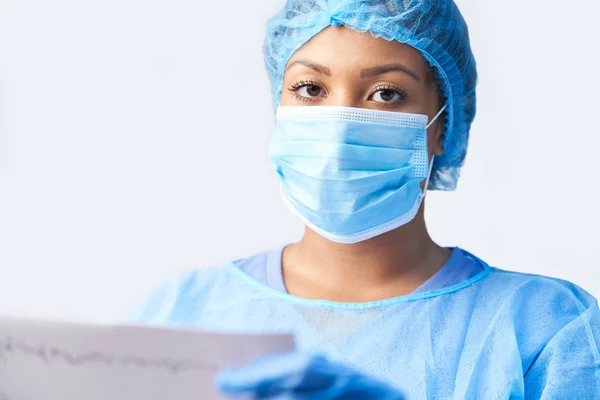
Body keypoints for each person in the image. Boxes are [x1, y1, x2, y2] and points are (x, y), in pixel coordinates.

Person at [126, 0, 600, 398]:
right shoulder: (183, 313)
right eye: (310, 88)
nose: (340, 125)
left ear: (444, 125)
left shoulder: (544, 330)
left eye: (386, 94)